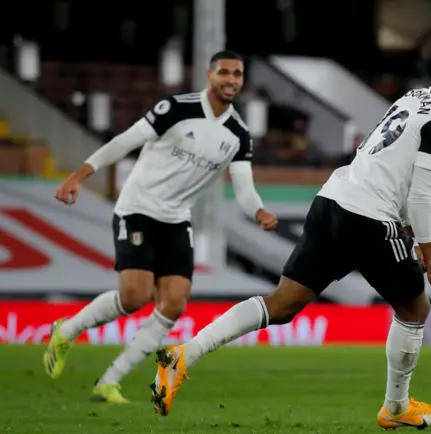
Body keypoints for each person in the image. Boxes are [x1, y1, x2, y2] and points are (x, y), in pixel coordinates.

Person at [149, 41, 431, 428]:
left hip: (332, 200)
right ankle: (396, 407)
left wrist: (412, 237)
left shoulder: (413, 98)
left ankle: (185, 355)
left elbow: (396, 173)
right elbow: (419, 195)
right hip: (369, 215)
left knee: (282, 304)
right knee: (415, 308)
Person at [43, 50, 278, 402]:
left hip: (175, 219)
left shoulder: (239, 134)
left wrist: (258, 212)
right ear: (209, 75)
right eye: (225, 72)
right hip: (137, 208)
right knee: (135, 296)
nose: (232, 80)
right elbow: (125, 141)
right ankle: (68, 329)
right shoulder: (177, 108)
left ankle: (110, 380)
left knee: (174, 304)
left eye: (238, 74)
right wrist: (79, 176)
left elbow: (244, 188)